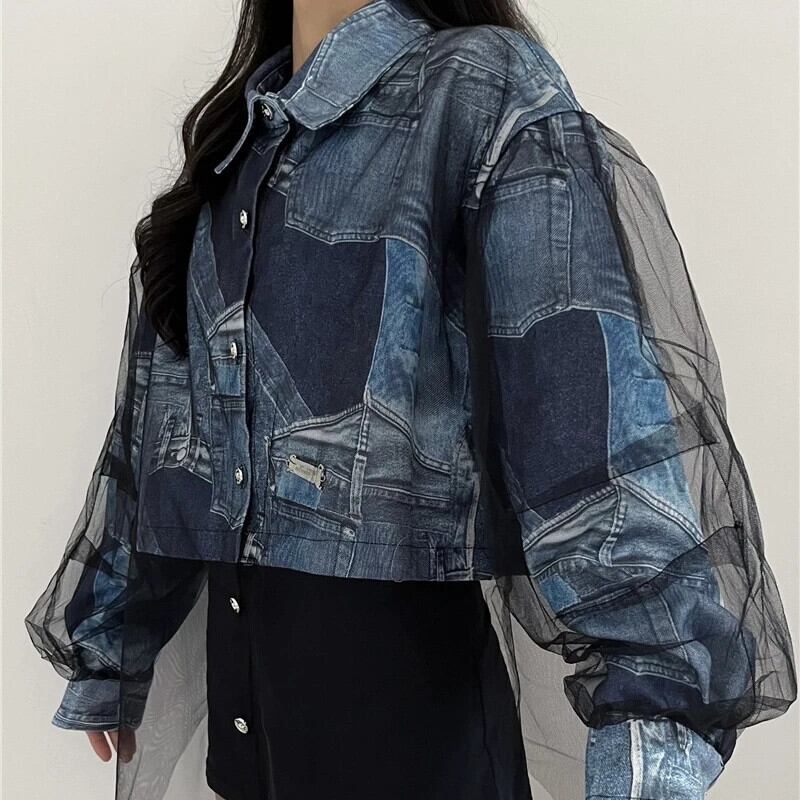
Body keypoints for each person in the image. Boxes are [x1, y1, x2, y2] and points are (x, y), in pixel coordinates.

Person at [25, 1, 797, 799]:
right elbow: (164, 423)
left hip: (411, 751)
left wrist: (655, 718)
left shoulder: (478, 95)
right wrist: (109, 636)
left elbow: (586, 433)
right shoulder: (237, 144)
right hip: (249, 750)